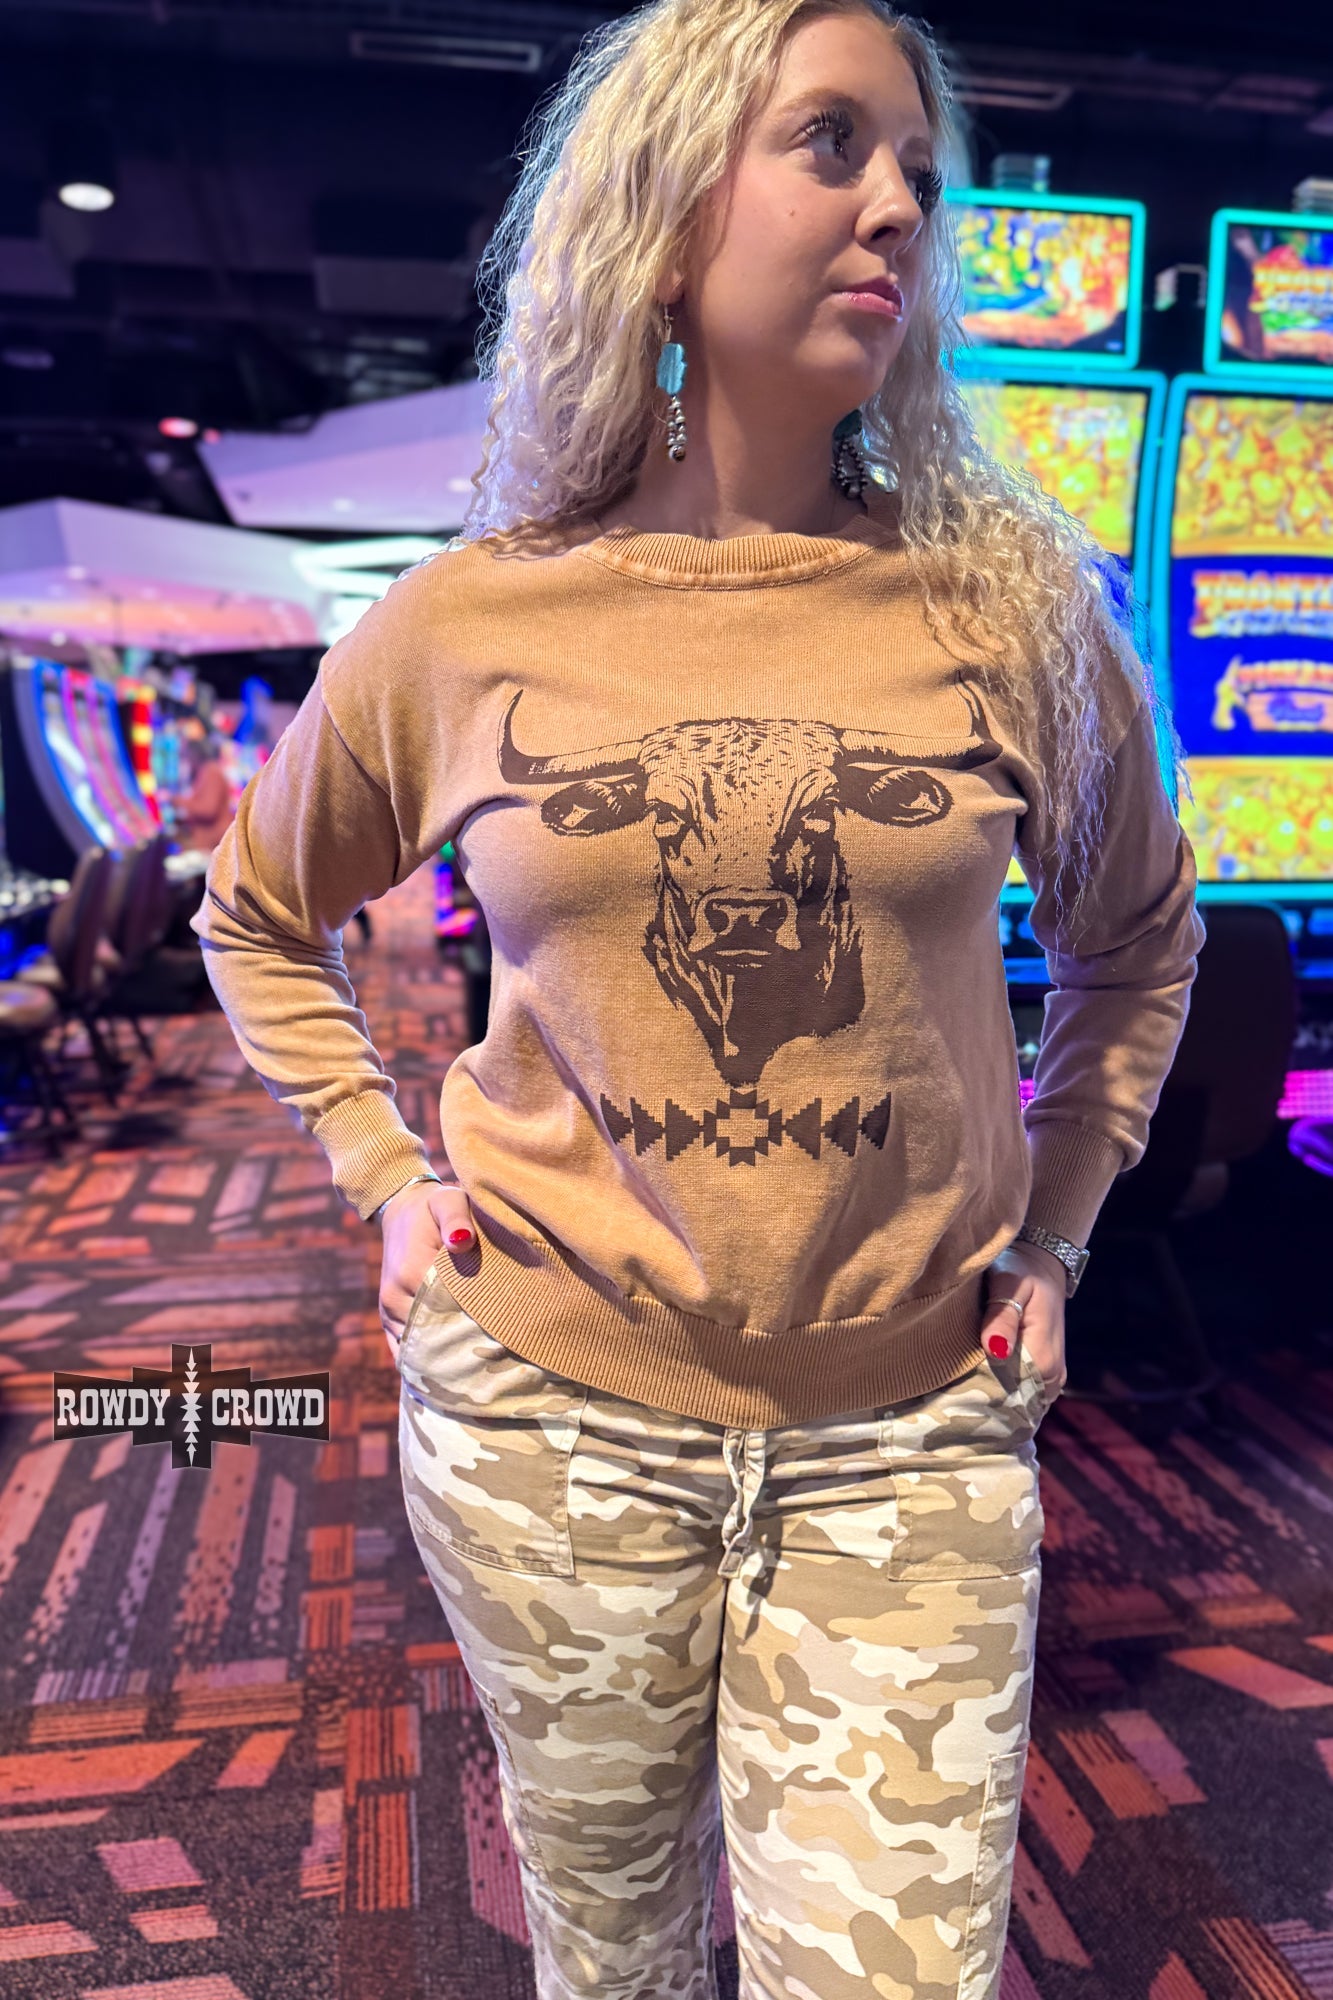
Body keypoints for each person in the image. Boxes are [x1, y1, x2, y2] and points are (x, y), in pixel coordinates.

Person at [192, 2, 1206, 1992]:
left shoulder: (1009, 607)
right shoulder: (470, 619)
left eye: (916, 168)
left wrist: (1062, 1227)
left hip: (907, 1432)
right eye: (828, 142)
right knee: (617, 1959)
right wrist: (384, 1176)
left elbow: (1137, 941)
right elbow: (256, 915)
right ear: (661, 214)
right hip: (549, 1428)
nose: (894, 204)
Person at [172, 735, 233, 855]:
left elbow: (208, 810)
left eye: (186, 756)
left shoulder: (211, 772)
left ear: (194, 755)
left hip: (213, 844)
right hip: (209, 844)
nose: (186, 761)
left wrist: (178, 801)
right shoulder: (205, 772)